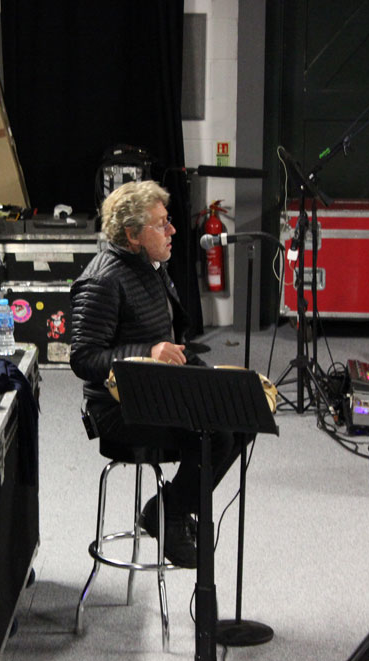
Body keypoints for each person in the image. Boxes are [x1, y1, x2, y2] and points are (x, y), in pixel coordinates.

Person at [69, 180, 243, 568]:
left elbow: (169, 343)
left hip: (155, 391)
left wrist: (209, 380)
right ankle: (169, 514)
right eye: (162, 224)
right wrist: (147, 353)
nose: (173, 230)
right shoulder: (102, 280)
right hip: (117, 408)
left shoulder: (150, 266)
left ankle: (170, 508)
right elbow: (83, 358)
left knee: (242, 414)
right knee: (216, 433)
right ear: (133, 234)